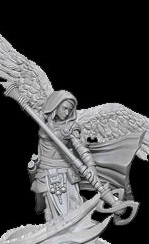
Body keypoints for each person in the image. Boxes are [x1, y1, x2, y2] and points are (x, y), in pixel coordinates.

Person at [30, 90, 98, 221]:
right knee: (50, 208)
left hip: (65, 172)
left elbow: (80, 148)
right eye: (64, 108)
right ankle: (51, 230)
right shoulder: (44, 124)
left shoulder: (71, 127)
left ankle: (78, 229)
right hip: (46, 171)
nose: (67, 113)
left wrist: (91, 165)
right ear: (55, 106)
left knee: (73, 206)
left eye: (70, 110)